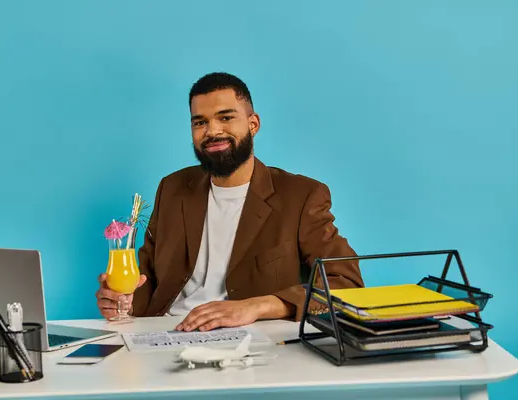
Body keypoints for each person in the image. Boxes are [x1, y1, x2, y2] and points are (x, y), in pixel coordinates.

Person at [96, 72, 364, 332]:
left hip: (253, 340)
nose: (212, 131)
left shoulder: (301, 196)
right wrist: (124, 302)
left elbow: (346, 284)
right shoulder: (172, 188)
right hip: (168, 333)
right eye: (199, 122)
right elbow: (149, 281)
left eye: (225, 117)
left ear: (253, 124)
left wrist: (256, 307)